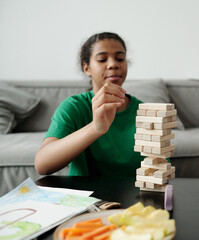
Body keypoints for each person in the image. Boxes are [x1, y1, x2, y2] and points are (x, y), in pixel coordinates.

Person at [34, 32, 144, 178]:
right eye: (102, 59)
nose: (113, 64)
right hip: (86, 198)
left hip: (135, 198)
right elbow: (42, 165)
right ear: (86, 68)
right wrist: (95, 128)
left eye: (120, 58)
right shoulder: (74, 107)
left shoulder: (144, 111)